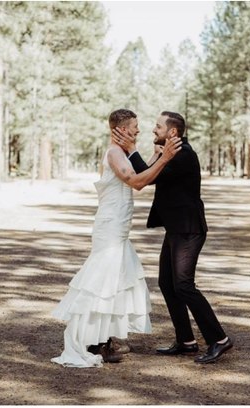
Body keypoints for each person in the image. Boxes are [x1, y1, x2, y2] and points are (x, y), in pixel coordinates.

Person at [51, 109, 182, 367]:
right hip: (110, 227)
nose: (138, 130)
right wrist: (164, 159)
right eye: (134, 126)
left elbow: (145, 173)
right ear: (121, 129)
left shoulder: (123, 153)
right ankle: (88, 341)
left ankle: (103, 340)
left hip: (120, 228)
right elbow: (136, 181)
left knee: (116, 283)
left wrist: (157, 158)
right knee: (101, 282)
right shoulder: (113, 154)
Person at [113, 111, 233, 364]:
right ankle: (186, 341)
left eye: (158, 127)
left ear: (172, 133)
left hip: (189, 229)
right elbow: (149, 172)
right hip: (176, 229)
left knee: (184, 285)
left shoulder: (183, 154)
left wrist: (132, 150)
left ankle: (219, 339)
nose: (153, 130)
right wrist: (142, 154)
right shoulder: (173, 153)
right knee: (167, 284)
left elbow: (147, 179)